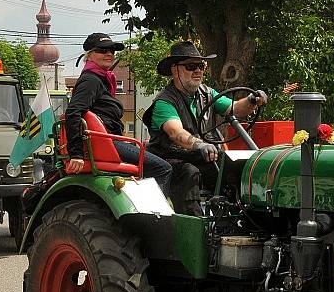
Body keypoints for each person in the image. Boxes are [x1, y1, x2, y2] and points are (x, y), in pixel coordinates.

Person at [142, 41, 267, 215]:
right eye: (191, 66)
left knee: (231, 168)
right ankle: (194, 227)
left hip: (199, 156)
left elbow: (235, 108)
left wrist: (252, 100)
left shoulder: (207, 93)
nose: (198, 71)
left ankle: (241, 218)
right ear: (174, 69)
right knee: (189, 172)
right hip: (169, 159)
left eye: (201, 65)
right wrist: (200, 144)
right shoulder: (164, 102)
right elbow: (176, 133)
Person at [65, 33, 172, 193]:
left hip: (111, 141)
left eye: (112, 51)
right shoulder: (91, 80)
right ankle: (154, 215)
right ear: (89, 55)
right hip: (106, 143)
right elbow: (73, 113)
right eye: (102, 50)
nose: (109, 54)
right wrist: (76, 154)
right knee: (163, 168)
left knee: (155, 152)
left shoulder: (101, 79)